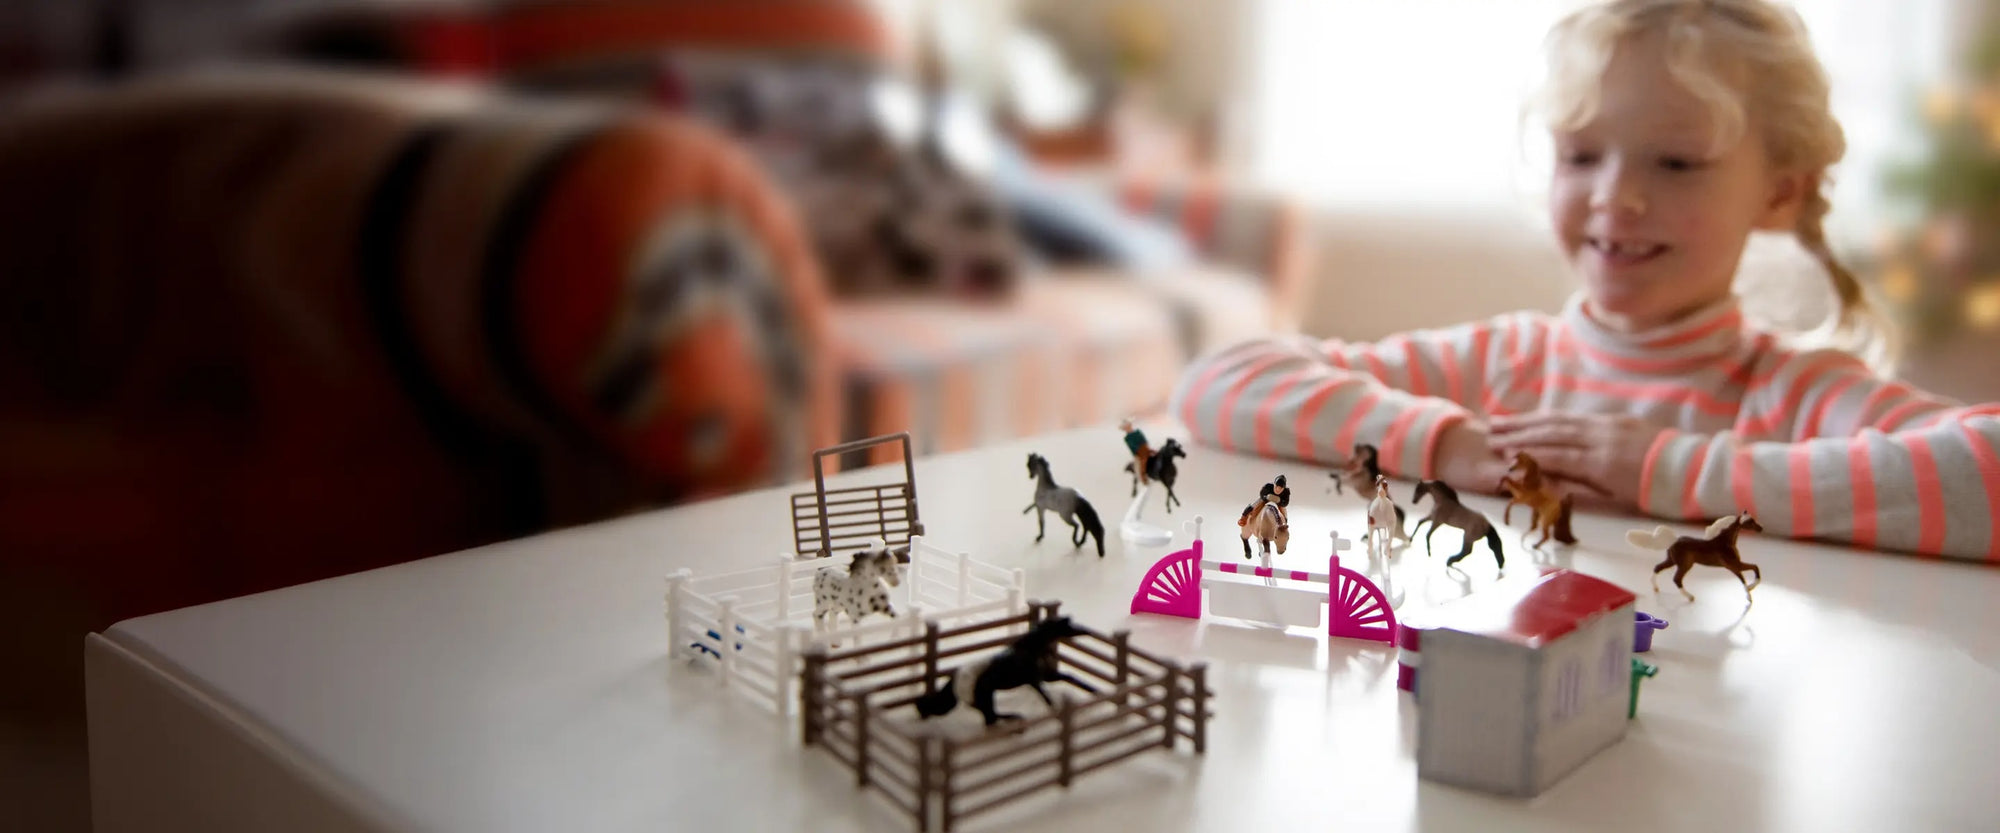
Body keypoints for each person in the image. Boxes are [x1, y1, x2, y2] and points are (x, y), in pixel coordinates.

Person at [1172, 0, 2000, 561]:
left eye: (1676, 162)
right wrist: (1454, 445)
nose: (1616, 196)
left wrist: (1674, 472)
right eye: (1580, 155)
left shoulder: (1794, 395)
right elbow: (1221, 380)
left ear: (1778, 192)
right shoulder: (1503, 366)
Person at [1121, 418, 1154, 484]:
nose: (1128, 428)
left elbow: (1144, 440)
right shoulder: (1127, 438)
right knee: (1142, 463)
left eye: (1128, 426)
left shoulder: (1138, 432)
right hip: (1138, 452)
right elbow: (1132, 446)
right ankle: (1143, 477)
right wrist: (1137, 453)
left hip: (1145, 448)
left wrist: (1146, 448)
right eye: (1126, 427)